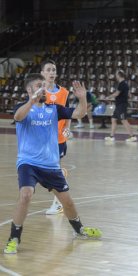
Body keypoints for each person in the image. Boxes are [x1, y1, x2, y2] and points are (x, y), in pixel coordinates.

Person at [4, 73, 102, 254]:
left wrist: (81, 99)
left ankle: (79, 230)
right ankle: (14, 238)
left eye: (44, 85)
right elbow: (18, 117)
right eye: (38, 85)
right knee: (25, 195)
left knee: (68, 203)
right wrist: (31, 102)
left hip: (51, 165)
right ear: (29, 89)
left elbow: (79, 113)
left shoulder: (54, 109)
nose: (43, 88)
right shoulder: (22, 107)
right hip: (28, 163)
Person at [41, 59, 71, 215]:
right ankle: (61, 176)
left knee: (52, 170)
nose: (52, 72)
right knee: (46, 171)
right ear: (42, 73)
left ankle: (58, 203)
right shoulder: (38, 92)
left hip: (58, 139)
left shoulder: (64, 92)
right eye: (48, 70)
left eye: (53, 69)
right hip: (41, 139)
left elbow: (67, 115)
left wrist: (67, 131)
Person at [104, 70, 137, 142]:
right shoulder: (125, 84)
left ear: (119, 75)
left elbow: (116, 93)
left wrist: (108, 97)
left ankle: (132, 136)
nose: (115, 76)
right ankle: (111, 136)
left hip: (121, 105)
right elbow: (129, 95)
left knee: (124, 120)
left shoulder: (122, 84)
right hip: (119, 105)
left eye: (116, 75)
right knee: (113, 119)